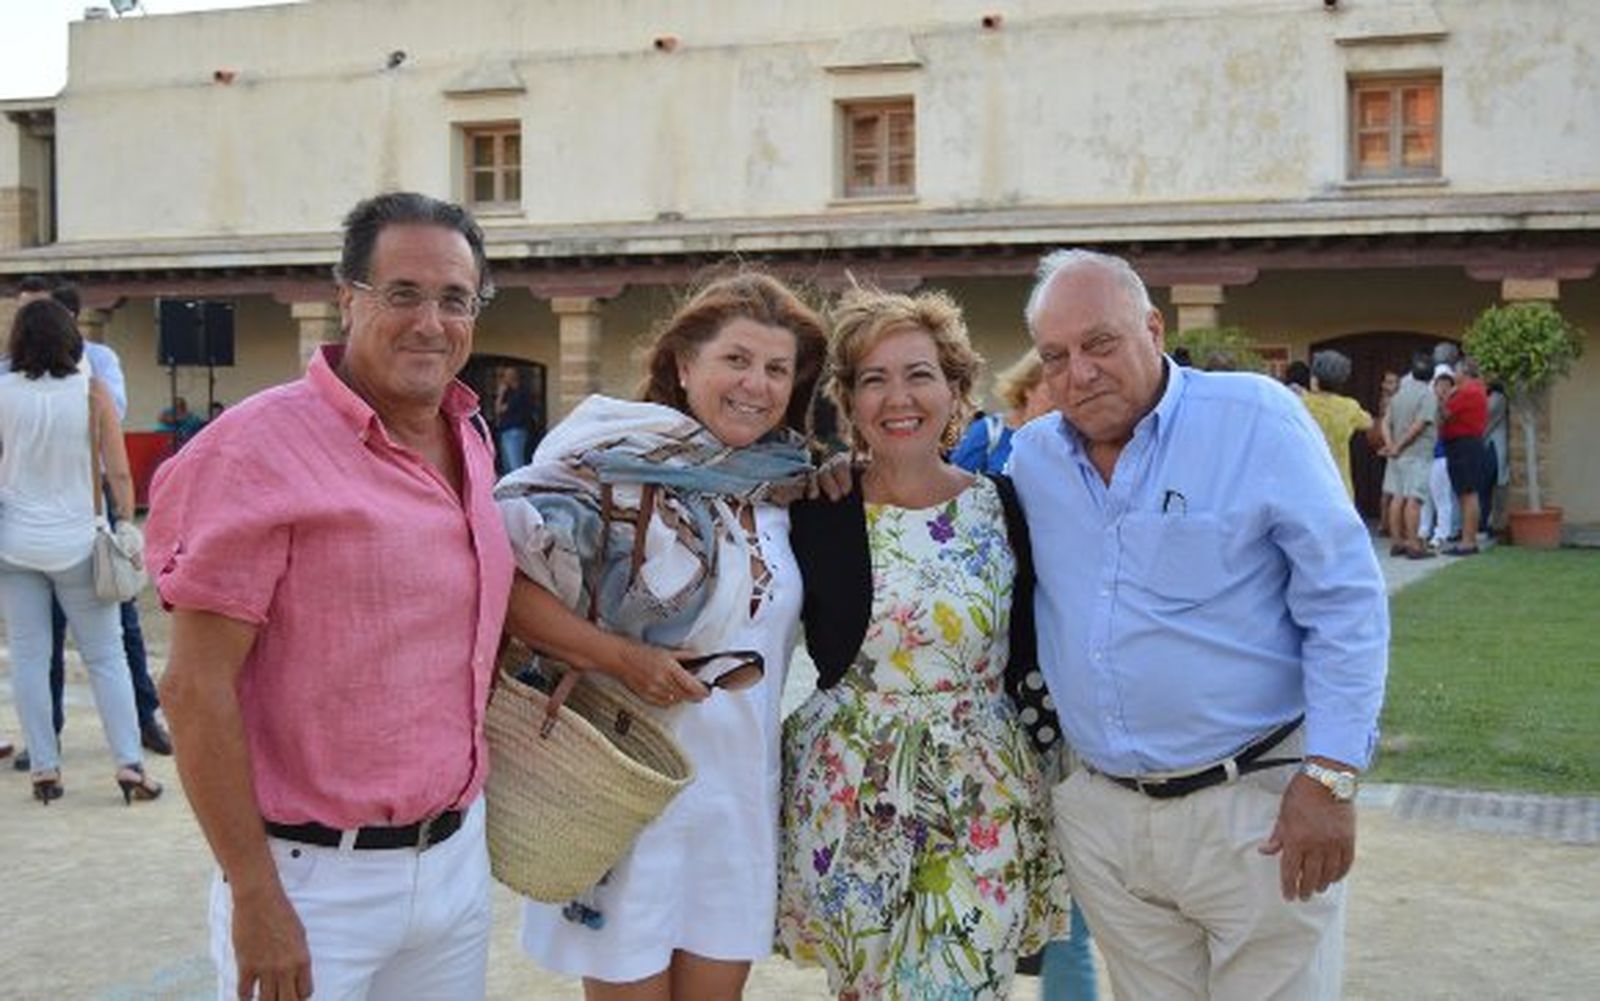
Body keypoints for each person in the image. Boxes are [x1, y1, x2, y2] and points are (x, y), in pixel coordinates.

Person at [147, 192, 513, 1001]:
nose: (431, 321)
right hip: (313, 883)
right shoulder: (253, 450)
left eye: (456, 298)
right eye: (403, 293)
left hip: (454, 864)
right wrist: (254, 893)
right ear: (347, 298)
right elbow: (193, 688)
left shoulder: (470, 435)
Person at [1010, 249, 1388, 1000]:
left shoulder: (1254, 420)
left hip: (1257, 811)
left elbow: (1345, 599)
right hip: (1108, 824)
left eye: (1101, 344)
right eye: (1056, 356)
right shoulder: (1033, 460)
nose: (1078, 373)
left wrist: (1332, 777)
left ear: (1154, 328)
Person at [495, 270, 826, 1001]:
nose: (757, 385)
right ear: (684, 364)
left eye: (776, 368)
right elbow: (501, 580)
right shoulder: (612, 458)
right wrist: (622, 657)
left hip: (736, 799)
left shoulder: (786, 489)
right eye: (735, 360)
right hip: (626, 791)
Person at [777, 287, 1068, 999]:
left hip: (984, 789)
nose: (897, 396)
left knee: (967, 984)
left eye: (918, 374)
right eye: (873, 378)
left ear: (955, 388)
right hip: (852, 793)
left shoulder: (1004, 503)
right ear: (848, 399)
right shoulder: (815, 510)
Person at [949, 345, 1100, 1000]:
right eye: (1051, 386)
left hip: (1062, 707)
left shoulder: (1091, 467)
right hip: (992, 705)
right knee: (983, 881)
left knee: (1073, 885)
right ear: (1024, 395)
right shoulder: (984, 467)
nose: (1066, 398)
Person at [0, 299, 159, 805]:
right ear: (72, 339)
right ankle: (129, 765)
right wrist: (128, 521)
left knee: (29, 657)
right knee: (106, 656)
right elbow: (116, 471)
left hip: (15, 542)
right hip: (79, 541)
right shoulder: (93, 394)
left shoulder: (1, 393)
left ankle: (45, 768)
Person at [41, 283, 172, 767]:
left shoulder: (98, 362)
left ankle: (144, 719)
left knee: (124, 622)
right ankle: (46, 735)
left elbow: (113, 416)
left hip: (93, 504)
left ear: (71, 319)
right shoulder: (10, 374)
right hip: (42, 512)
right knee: (45, 633)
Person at [949, 347, 1054, 474]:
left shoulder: (1064, 442)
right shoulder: (989, 433)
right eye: (1052, 391)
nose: (1061, 402)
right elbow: (950, 488)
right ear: (1028, 389)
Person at [1384, 352, 1439, 560]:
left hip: (1398, 457)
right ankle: (1414, 545)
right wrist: (1398, 445)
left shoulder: (1399, 394)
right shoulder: (1428, 395)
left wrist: (1391, 445)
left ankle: (1397, 542)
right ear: (1431, 374)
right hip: (1417, 454)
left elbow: (1385, 422)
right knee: (1414, 500)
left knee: (1398, 497)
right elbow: (1419, 425)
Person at [1300, 349, 1373, 503]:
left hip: (1308, 482)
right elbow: (1369, 423)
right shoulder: (1349, 407)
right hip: (1340, 484)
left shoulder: (1301, 403)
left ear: (1315, 379)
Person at [1439, 358, 1489, 555]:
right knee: (1466, 492)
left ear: (1464, 372)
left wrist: (1441, 397)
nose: (1453, 375)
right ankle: (1468, 539)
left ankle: (1468, 542)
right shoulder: (1476, 389)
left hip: (1463, 444)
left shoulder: (1467, 391)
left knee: (1467, 493)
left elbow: (1445, 414)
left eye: (1456, 371)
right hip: (1466, 443)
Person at [1421, 365, 1458, 550]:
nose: (1443, 387)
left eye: (1446, 384)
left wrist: (1442, 402)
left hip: (1441, 455)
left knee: (1441, 497)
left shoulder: (1449, 403)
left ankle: (1441, 534)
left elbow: (1446, 419)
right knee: (1425, 497)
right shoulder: (1426, 401)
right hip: (1425, 455)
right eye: (1440, 383)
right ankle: (1423, 532)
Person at [1369, 370, 1400, 538]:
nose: (1387, 385)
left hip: (1389, 446)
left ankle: (1386, 522)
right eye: (1386, 381)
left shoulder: (1391, 400)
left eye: (1392, 382)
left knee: (1389, 489)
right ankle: (1385, 522)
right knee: (1389, 489)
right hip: (1388, 446)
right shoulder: (1388, 401)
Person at [492, 365, 535, 473]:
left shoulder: (521, 393)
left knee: (516, 465)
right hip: (506, 431)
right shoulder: (508, 392)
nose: (504, 379)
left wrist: (501, 394)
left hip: (515, 432)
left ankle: (520, 488)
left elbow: (500, 409)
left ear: (513, 377)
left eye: (506, 376)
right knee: (508, 467)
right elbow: (497, 410)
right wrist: (502, 394)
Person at [1482, 378, 1509, 535]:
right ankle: (1487, 522)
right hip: (1488, 447)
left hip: (1492, 447)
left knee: (1486, 487)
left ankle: (1489, 523)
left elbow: (1487, 415)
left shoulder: (1497, 398)